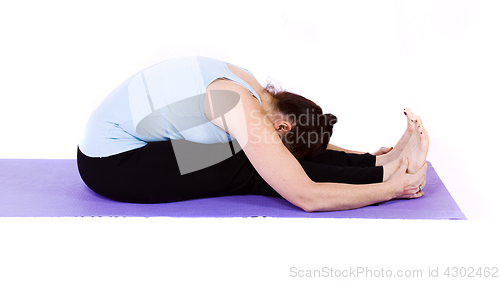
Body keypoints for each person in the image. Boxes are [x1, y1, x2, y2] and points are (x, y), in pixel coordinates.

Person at [77, 56, 428, 212]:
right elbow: (306, 196)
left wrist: (372, 155)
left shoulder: (254, 89)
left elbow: (296, 143)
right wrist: (389, 189)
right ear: (282, 126)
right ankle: (383, 171)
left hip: (128, 144)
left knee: (258, 154)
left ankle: (383, 163)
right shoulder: (236, 103)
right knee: (251, 166)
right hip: (110, 163)